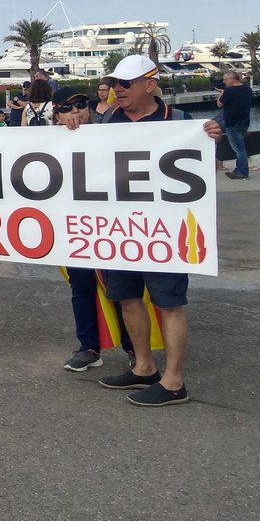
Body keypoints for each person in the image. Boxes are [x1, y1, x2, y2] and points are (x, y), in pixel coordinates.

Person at [85, 55, 221, 406]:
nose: (117, 89)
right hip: (118, 228)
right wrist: (70, 121)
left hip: (164, 230)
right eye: (115, 82)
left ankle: (174, 381)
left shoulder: (179, 122)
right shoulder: (106, 120)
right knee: (128, 298)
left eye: (125, 84)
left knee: (169, 302)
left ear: (149, 84)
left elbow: (206, 168)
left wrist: (212, 140)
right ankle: (144, 367)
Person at [51, 87, 134, 373]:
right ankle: (89, 347)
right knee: (82, 288)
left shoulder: (110, 129)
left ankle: (133, 347)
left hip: (109, 224)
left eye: (80, 106)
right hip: (71, 227)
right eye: (67, 108)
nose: (75, 113)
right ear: (56, 114)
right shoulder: (41, 141)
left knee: (121, 287)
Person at [218, 70, 252, 180]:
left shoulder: (229, 91)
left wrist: (222, 93)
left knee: (239, 148)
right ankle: (239, 169)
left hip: (232, 123)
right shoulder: (247, 89)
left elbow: (219, 104)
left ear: (232, 78)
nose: (224, 82)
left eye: (225, 79)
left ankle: (242, 171)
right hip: (244, 121)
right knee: (241, 147)